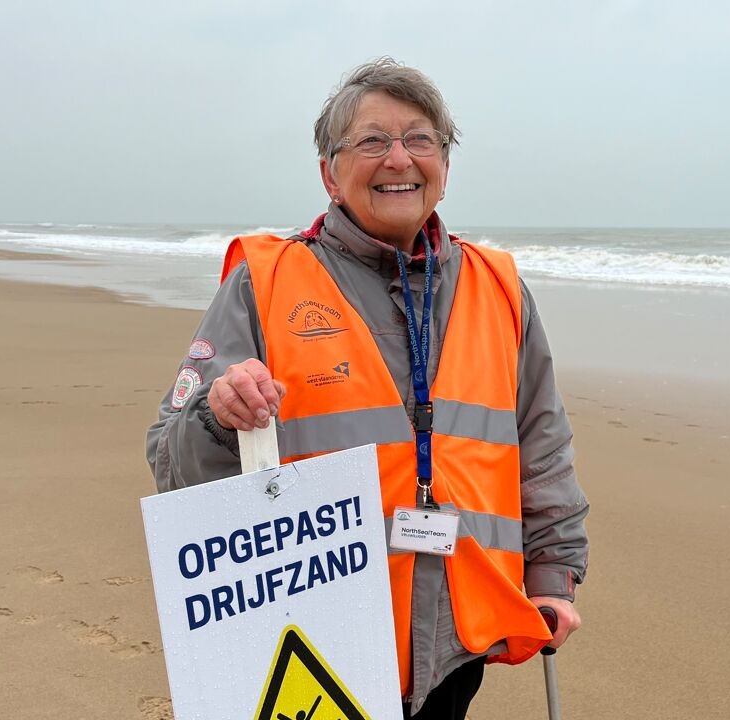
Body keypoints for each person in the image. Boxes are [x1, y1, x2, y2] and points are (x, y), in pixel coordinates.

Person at [146, 57, 588, 719]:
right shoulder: (264, 282)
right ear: (329, 171)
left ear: (444, 163)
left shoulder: (498, 286)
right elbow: (168, 458)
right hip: (322, 637)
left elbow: (541, 442)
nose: (398, 158)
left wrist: (552, 575)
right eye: (372, 140)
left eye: (420, 139)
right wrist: (216, 414)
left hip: (457, 636)